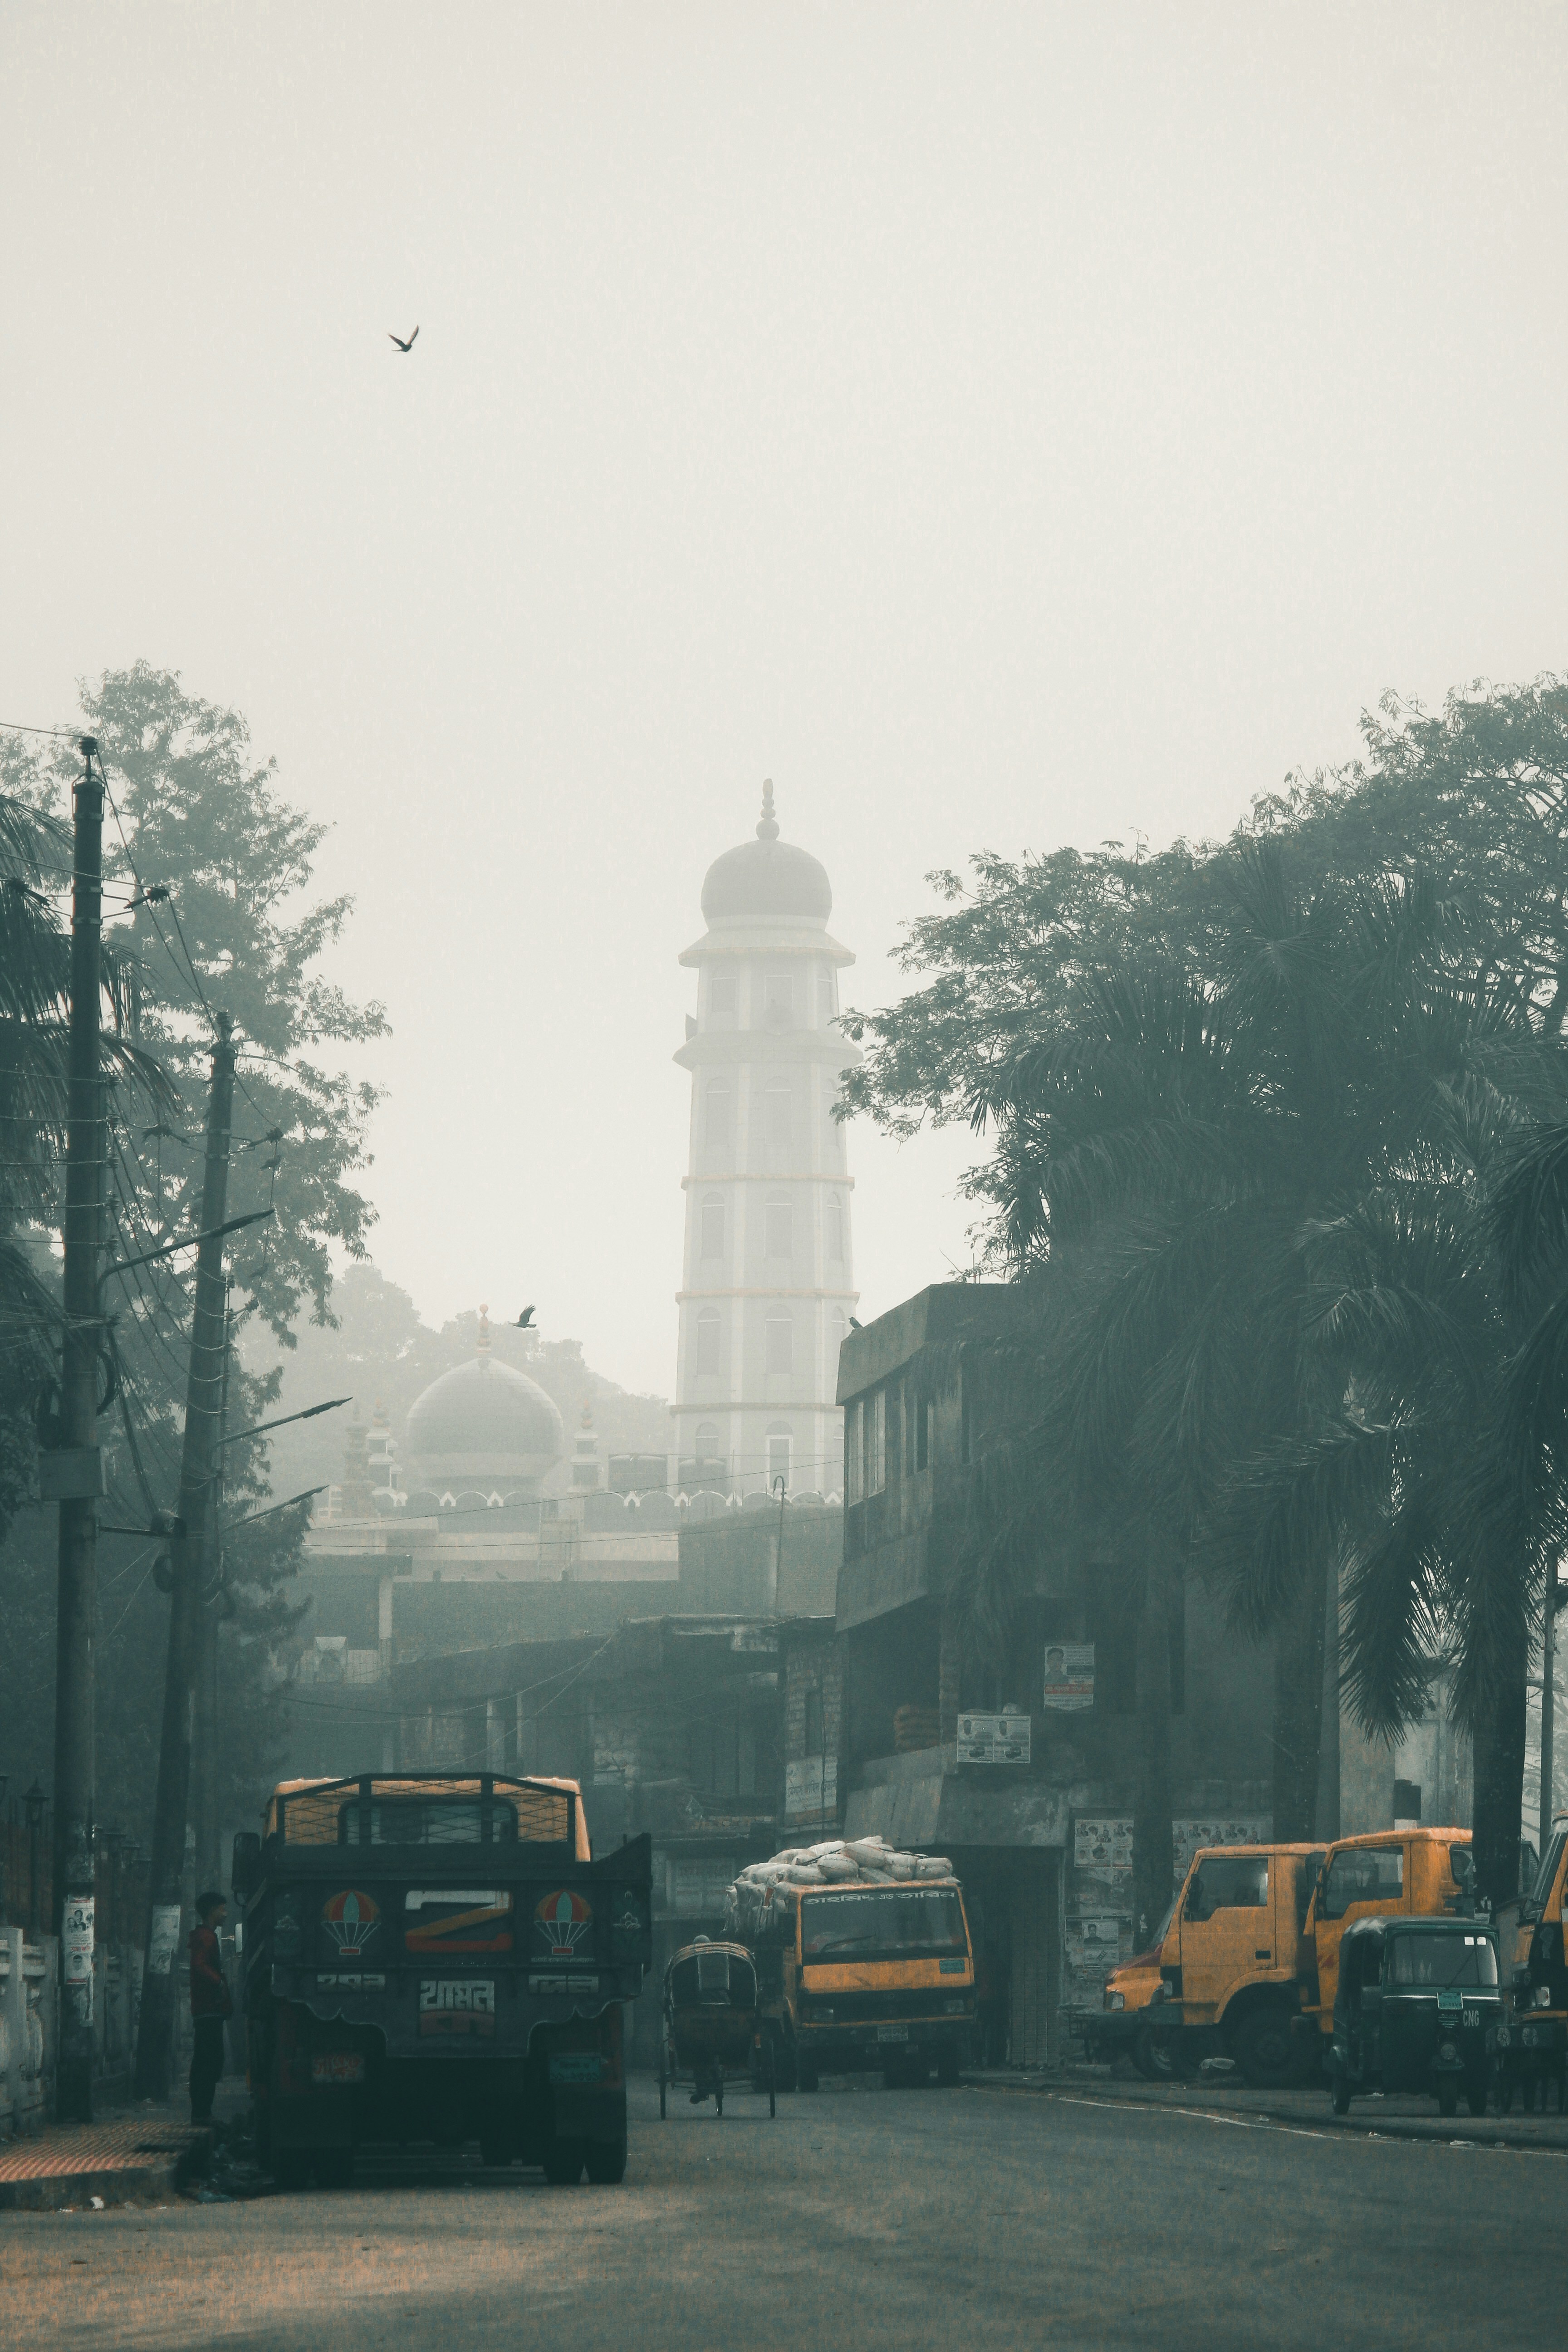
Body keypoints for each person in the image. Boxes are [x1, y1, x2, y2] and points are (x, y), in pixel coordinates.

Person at [189, 1891, 233, 2125]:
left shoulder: (207, 1936)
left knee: (209, 2061)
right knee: (209, 2061)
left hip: (208, 2008)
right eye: (222, 1909)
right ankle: (202, 2114)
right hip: (208, 2008)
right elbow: (199, 1965)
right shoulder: (206, 1938)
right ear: (212, 1911)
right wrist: (219, 1983)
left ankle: (202, 2112)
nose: (225, 1914)